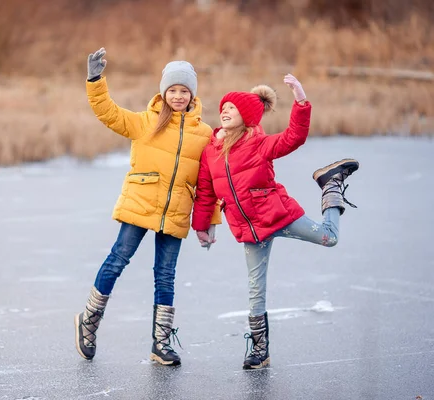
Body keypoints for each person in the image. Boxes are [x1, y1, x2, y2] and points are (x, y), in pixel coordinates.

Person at [191, 74, 359, 370]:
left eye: (232, 107)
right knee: (256, 288)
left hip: (277, 215)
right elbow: (205, 191)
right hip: (248, 231)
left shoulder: (259, 144)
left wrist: (301, 99)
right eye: (223, 107)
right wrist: (202, 226)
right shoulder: (210, 150)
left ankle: (331, 185)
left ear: (247, 117)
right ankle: (260, 350)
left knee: (329, 237)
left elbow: (293, 137)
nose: (225, 111)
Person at [74, 48, 221, 366]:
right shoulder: (145, 123)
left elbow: (209, 183)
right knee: (117, 261)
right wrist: (95, 79)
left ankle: (161, 344)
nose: (179, 96)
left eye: (184, 91)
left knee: (165, 276)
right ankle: (89, 320)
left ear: (192, 94)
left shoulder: (204, 134)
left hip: (177, 210)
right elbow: (108, 113)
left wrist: (209, 220)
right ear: (164, 92)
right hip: (141, 203)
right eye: (173, 90)